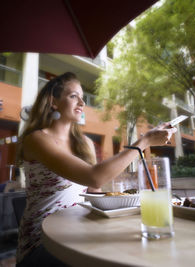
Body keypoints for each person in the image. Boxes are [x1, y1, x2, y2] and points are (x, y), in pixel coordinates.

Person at [16, 72, 177, 266]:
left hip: (79, 231)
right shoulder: (37, 139)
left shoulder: (85, 144)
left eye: (82, 98)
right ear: (53, 101)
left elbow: (94, 193)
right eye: (73, 96)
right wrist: (144, 141)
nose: (82, 103)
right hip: (42, 240)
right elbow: (94, 178)